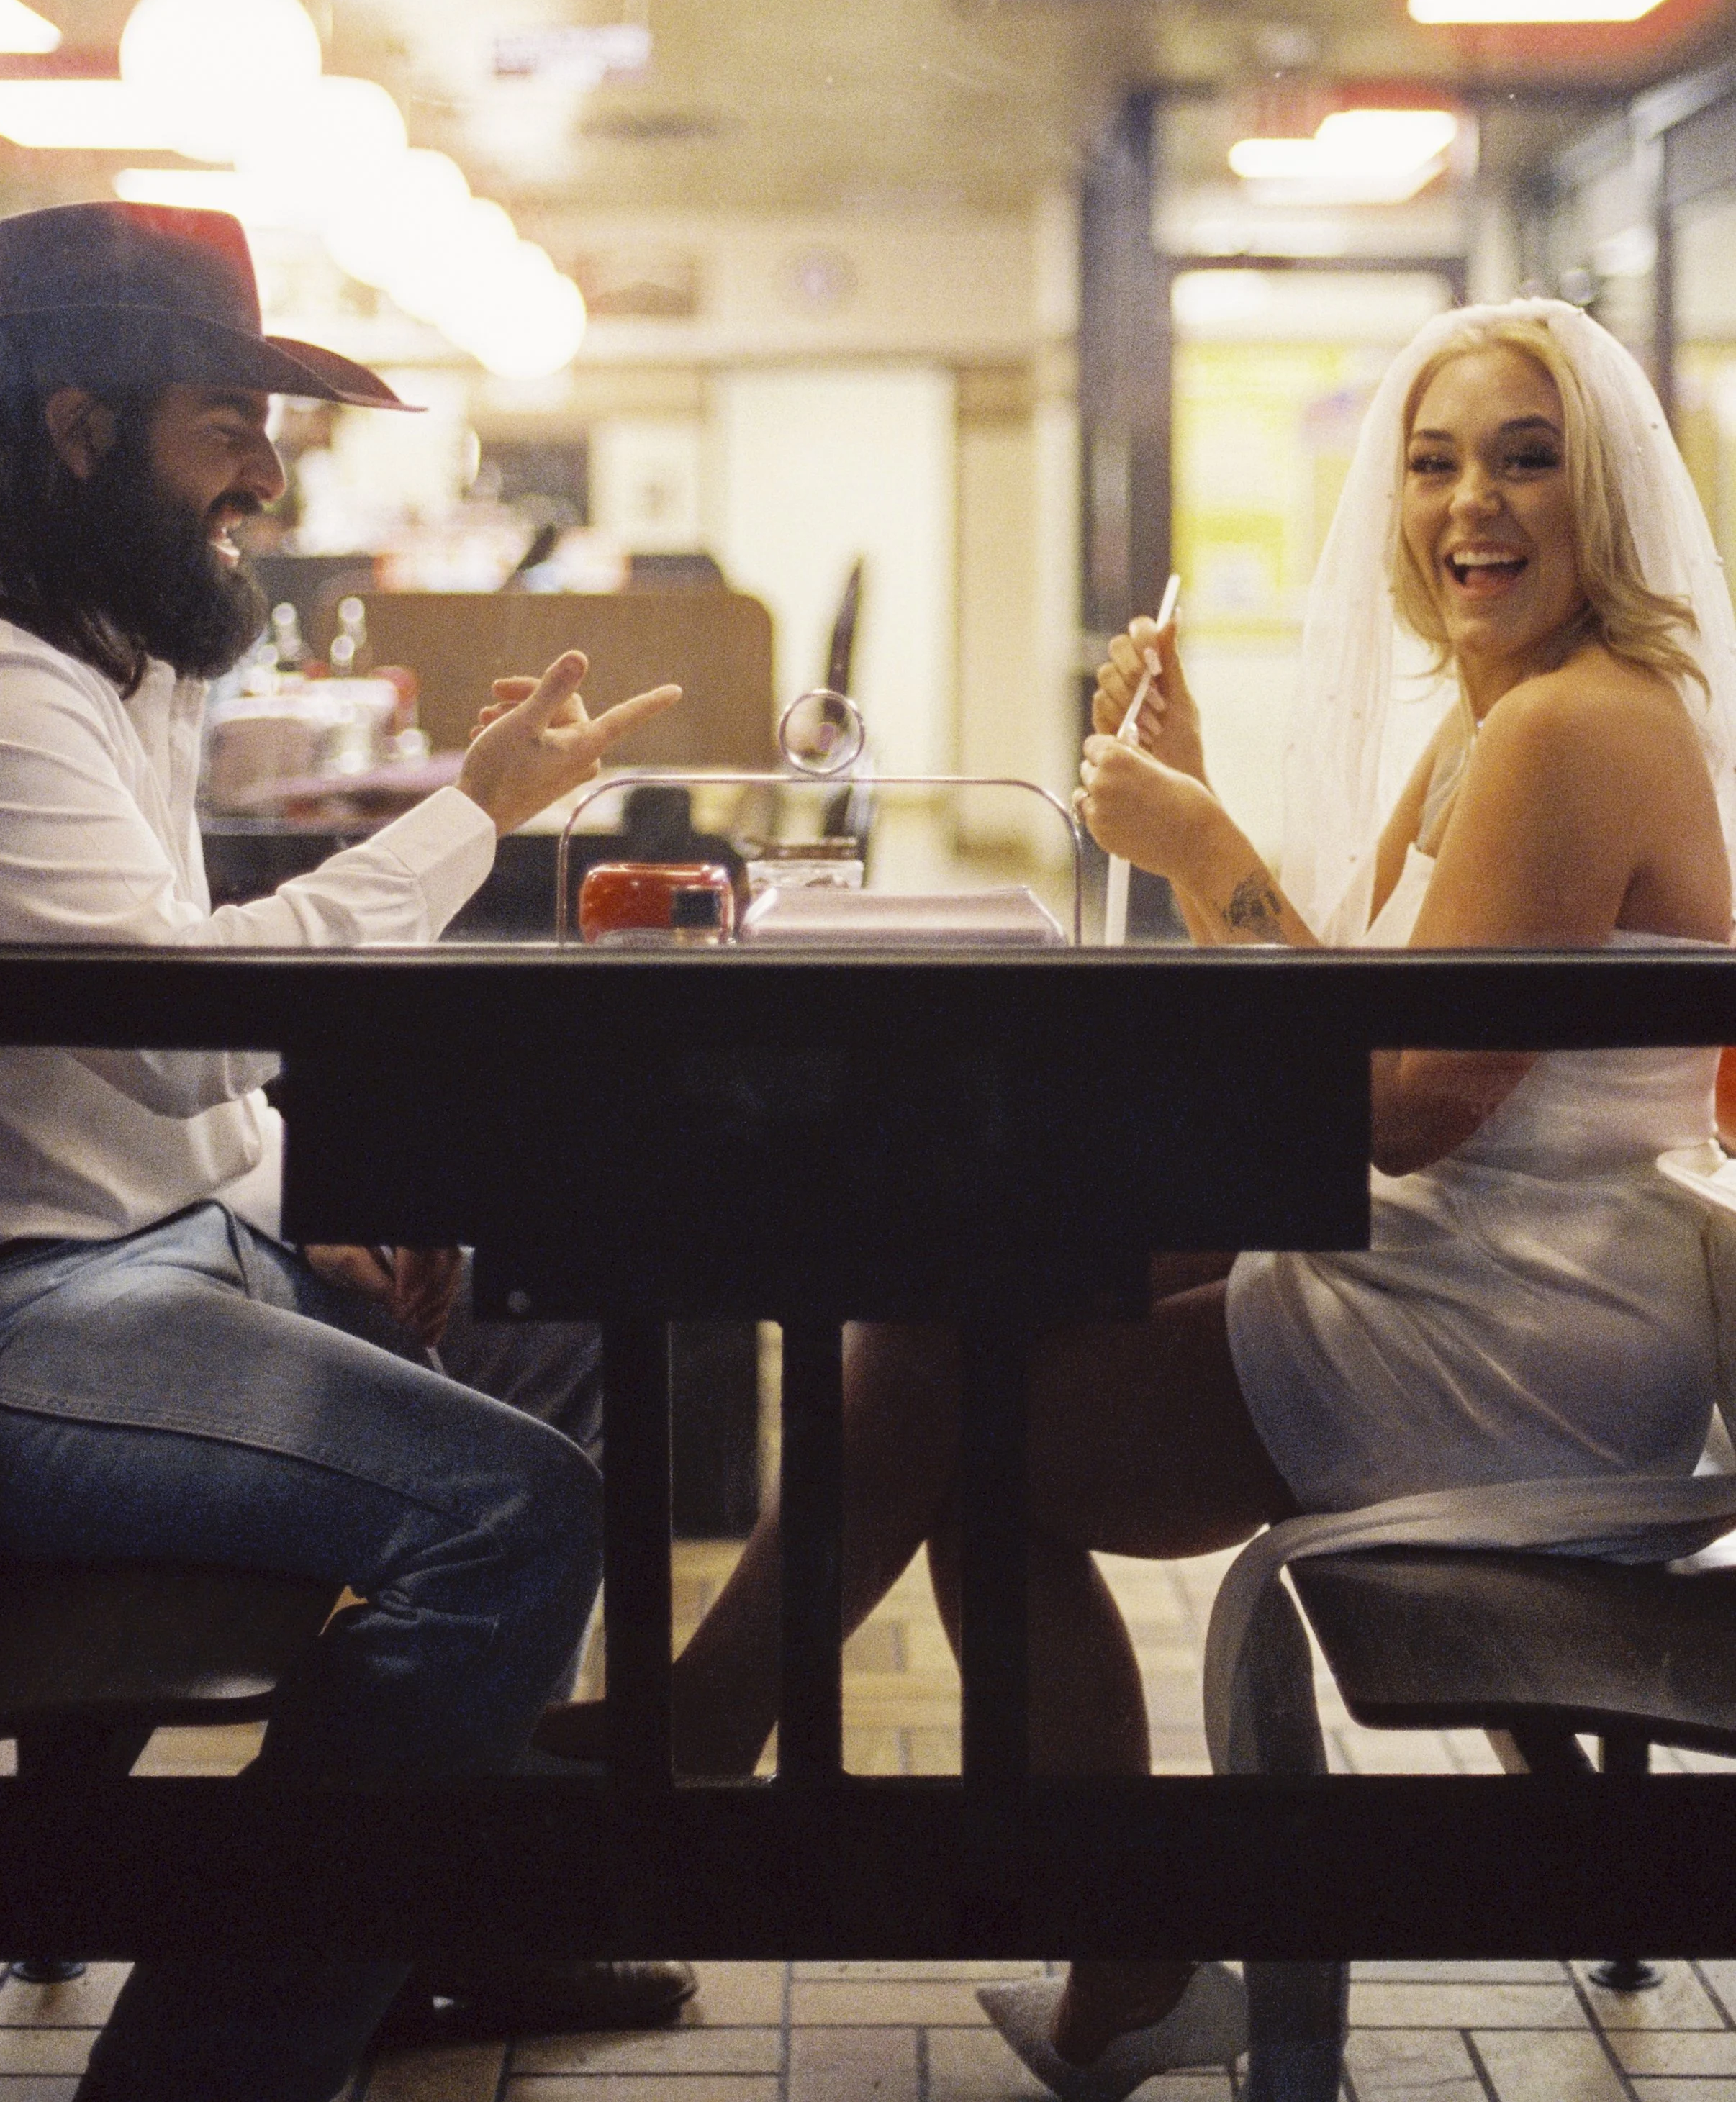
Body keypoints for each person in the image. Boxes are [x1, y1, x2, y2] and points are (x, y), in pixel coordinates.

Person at [540, 299, 1736, 2102]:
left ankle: (769, 1740)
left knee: (954, 1396)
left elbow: (1404, 1104)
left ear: (1604, 496)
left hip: (1512, 1324)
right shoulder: (1510, 710)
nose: (1465, 503)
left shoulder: (1573, 725)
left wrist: (1202, 850)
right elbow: (1357, 1012)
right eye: (1430, 464)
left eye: (1520, 458)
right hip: (1470, 1260)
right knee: (957, 1300)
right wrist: (1195, 818)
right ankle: (1048, 1904)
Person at [0, 200, 687, 2102]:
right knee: (503, 1512)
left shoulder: (105, 654)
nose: (269, 471)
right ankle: (223, 2053)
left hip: (136, 1252)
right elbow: (192, 1019)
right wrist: (472, 818)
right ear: (82, 431)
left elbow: (141, 1090)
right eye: (226, 421)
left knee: (548, 1314)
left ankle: (412, 1913)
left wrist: (312, 1201)